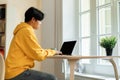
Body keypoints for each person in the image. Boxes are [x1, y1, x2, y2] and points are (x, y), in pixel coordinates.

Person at [5, 7, 61, 80]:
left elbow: (35, 51)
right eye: (40, 21)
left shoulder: (21, 30)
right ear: (33, 20)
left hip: (11, 71)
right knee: (52, 78)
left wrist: (47, 51)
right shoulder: (27, 31)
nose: (40, 23)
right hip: (17, 72)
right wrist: (53, 52)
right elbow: (38, 55)